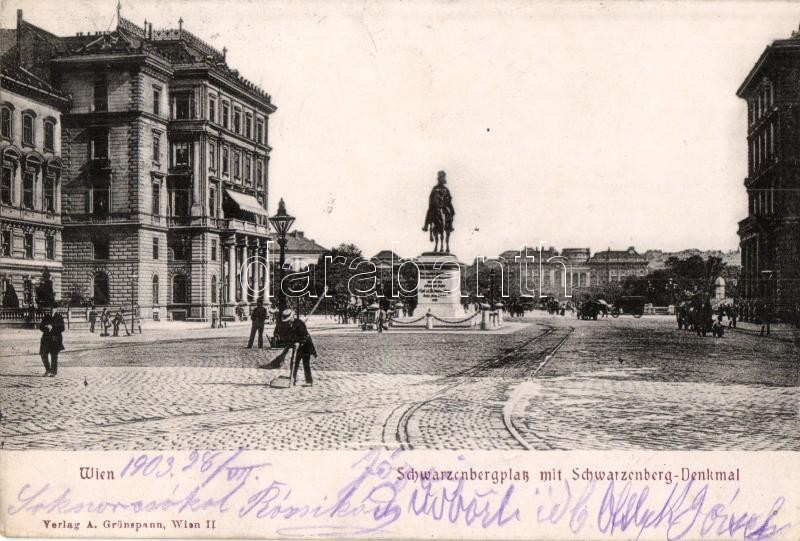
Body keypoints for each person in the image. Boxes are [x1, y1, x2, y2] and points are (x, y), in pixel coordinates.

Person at [283, 308, 317, 386]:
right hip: (297, 347)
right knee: (294, 362)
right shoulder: (288, 325)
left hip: (305, 346)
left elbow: (304, 336)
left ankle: (309, 381)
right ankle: (293, 379)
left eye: (288, 319)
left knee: (306, 363)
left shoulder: (299, 323)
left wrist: (298, 342)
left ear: (292, 317)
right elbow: (289, 336)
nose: (287, 322)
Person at [39, 306, 65, 377]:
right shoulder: (46, 317)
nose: (51, 310)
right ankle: (48, 369)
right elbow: (40, 326)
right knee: (43, 353)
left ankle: (54, 371)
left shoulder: (59, 317)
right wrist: (46, 327)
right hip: (46, 339)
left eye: (53, 308)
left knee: (54, 355)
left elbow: (62, 328)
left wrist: (52, 327)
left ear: (56, 309)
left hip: (55, 339)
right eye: (50, 308)